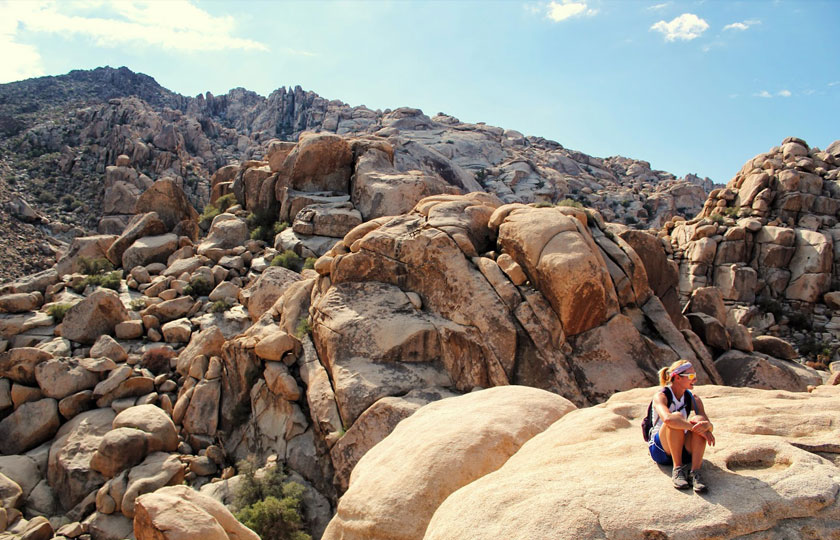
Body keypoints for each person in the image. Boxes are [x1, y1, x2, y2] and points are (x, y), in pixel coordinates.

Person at [647, 359, 715, 492]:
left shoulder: (693, 398)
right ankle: (677, 469)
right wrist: (695, 428)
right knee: (676, 417)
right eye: (690, 376)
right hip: (661, 450)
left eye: (695, 375)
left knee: (699, 419)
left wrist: (707, 426)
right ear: (677, 377)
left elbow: (708, 427)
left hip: (684, 448)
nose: (694, 379)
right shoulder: (661, 396)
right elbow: (667, 420)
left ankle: (695, 472)